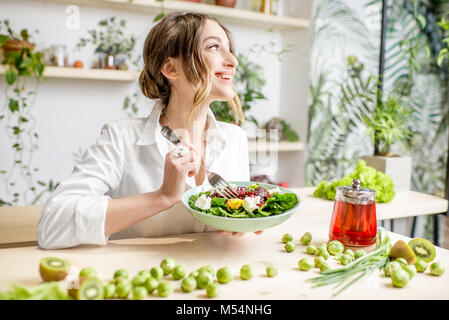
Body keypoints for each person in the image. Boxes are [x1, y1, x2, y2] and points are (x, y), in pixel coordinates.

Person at [36, 12, 262, 250]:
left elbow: (233, 227)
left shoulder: (236, 139)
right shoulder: (121, 138)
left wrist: (241, 221)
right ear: (171, 68)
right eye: (214, 47)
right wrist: (161, 197)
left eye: (229, 49)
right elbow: (51, 225)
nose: (233, 61)